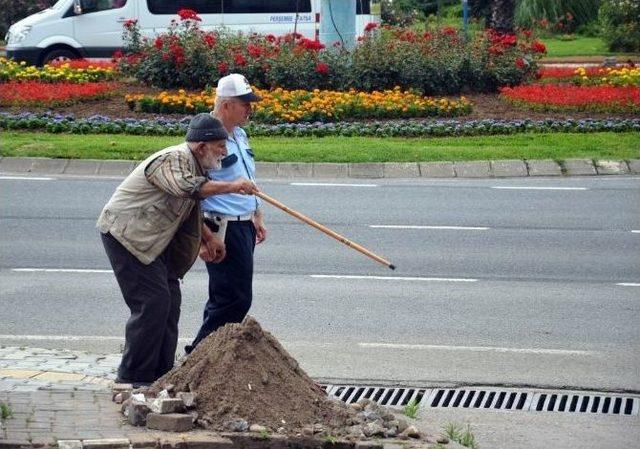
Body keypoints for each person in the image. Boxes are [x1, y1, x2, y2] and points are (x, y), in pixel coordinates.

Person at [97, 113, 257, 387]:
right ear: (201, 146)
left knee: (170, 303)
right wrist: (233, 186)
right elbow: (187, 189)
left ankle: (160, 375)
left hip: (156, 240)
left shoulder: (198, 166)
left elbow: (188, 209)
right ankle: (133, 377)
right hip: (128, 236)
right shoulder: (173, 159)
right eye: (220, 145)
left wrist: (208, 238)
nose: (224, 151)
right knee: (153, 303)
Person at [186, 74, 265, 353]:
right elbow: (194, 189)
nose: (250, 109)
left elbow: (248, 176)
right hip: (221, 226)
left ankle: (208, 355)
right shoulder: (205, 138)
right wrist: (204, 238)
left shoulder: (240, 134)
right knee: (233, 299)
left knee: (233, 296)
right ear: (227, 104)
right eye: (245, 103)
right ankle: (199, 355)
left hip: (244, 225)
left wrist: (257, 213)